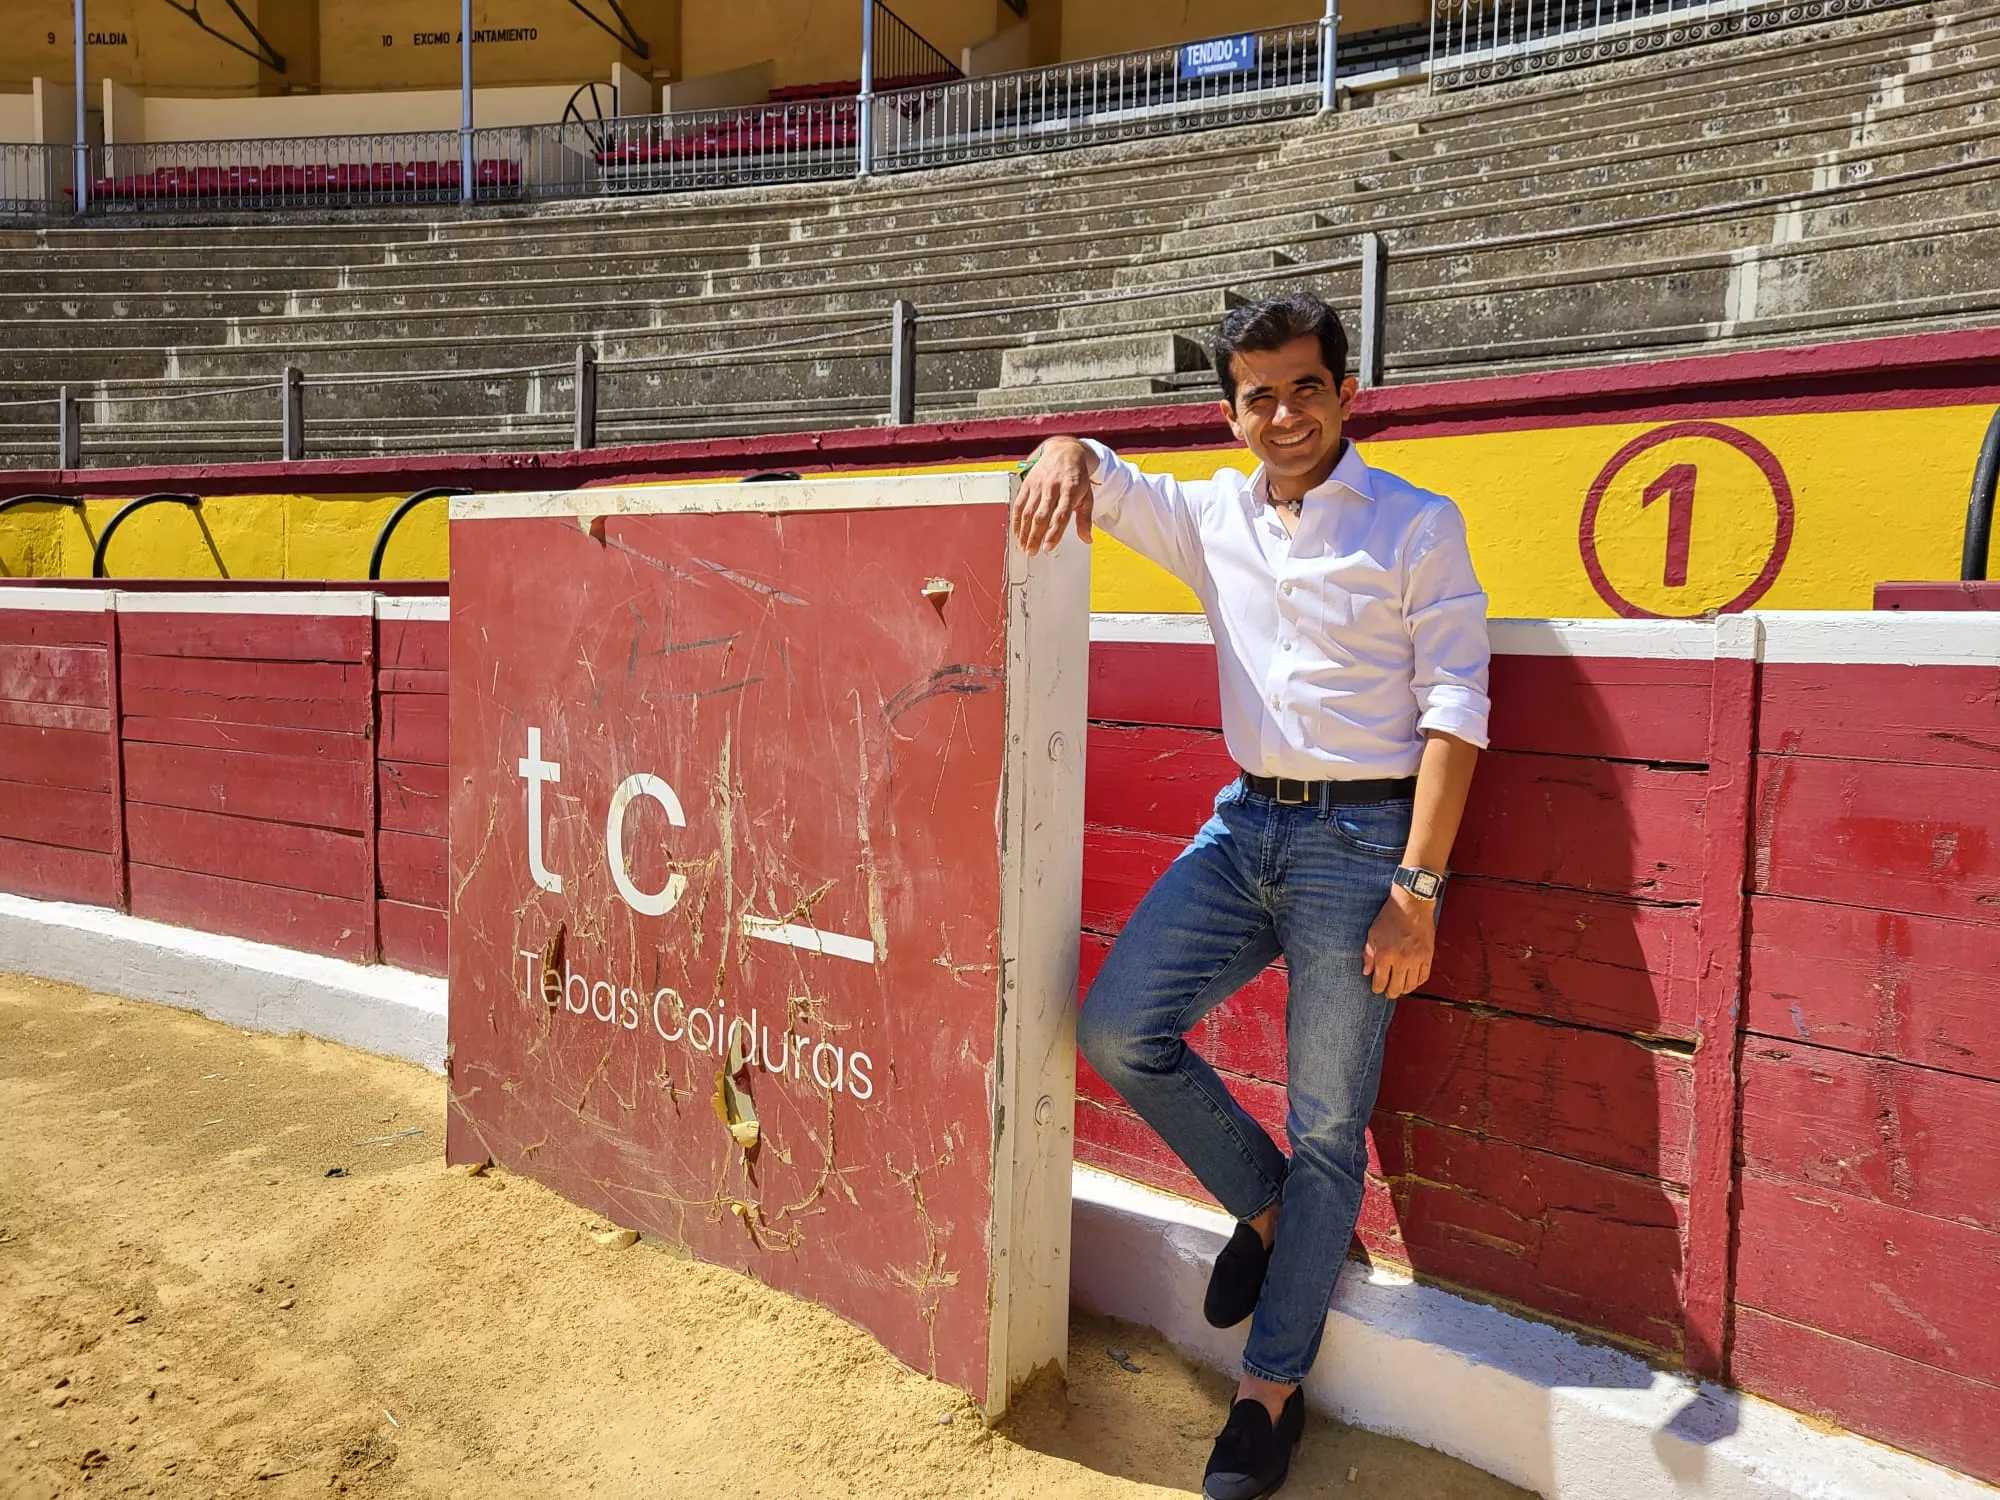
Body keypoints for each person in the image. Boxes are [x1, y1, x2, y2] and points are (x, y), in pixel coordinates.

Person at [1010, 291, 1490, 1500]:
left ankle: (1267, 1392)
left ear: (1345, 391)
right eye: (1257, 396)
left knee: (1328, 1122)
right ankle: (1267, 1210)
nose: (1283, 415)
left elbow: (1454, 714)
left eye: (1304, 388)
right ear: (1230, 413)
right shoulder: (1213, 514)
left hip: (1362, 843)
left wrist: (1416, 890)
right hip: (1243, 825)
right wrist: (1063, 443)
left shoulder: (1416, 523)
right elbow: (1107, 480)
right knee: (1117, 1028)